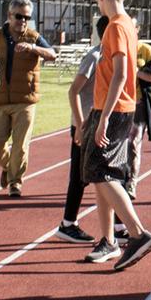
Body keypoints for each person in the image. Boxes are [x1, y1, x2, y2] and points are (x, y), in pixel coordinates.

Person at [80, 0, 151, 270]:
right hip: (110, 108)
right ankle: (108, 239)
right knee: (99, 174)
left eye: (97, 0)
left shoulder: (115, 27)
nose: (98, 6)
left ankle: (138, 234)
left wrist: (103, 120)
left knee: (102, 173)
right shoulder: (126, 24)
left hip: (112, 110)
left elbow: (121, 75)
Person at [0, 0, 57, 197]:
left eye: (27, 17)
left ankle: (15, 182)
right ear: (9, 16)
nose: (23, 21)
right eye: (19, 16)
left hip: (25, 100)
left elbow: (53, 54)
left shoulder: (33, 36)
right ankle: (9, 167)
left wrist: (33, 48)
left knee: (20, 145)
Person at [54, 17, 106, 244]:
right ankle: (68, 224)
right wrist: (79, 125)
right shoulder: (94, 57)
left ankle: (116, 225)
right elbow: (73, 91)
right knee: (82, 176)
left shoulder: (115, 58)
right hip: (85, 125)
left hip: (101, 123)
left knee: (103, 176)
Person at [126, 38, 151, 199]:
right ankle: (117, 178)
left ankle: (131, 183)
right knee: (116, 145)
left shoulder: (145, 50)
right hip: (117, 103)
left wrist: (137, 72)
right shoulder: (115, 45)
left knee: (133, 144)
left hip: (138, 104)